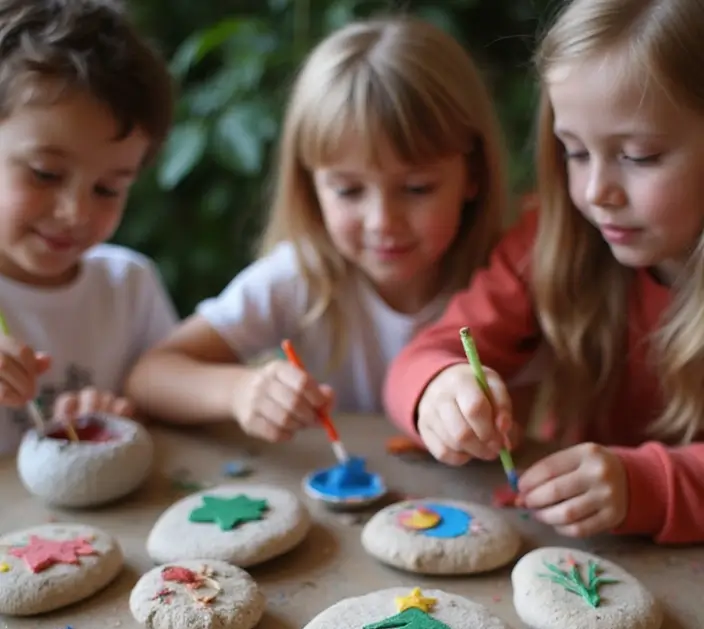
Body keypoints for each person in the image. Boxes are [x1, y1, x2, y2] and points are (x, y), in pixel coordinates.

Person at [384, 0, 704, 545]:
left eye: (638, 156)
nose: (596, 191)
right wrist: (439, 391)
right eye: (574, 152)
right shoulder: (552, 244)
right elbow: (421, 358)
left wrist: (646, 485)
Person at [126, 15, 509, 443]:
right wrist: (240, 391)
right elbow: (150, 377)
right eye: (348, 190)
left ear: (473, 174)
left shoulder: (509, 284)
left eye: (417, 188)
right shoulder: (299, 278)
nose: (382, 221)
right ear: (310, 185)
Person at [0, 0, 176, 456]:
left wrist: (124, 418)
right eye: (45, 174)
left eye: (107, 189)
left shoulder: (129, 287)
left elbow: (164, 408)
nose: (75, 212)